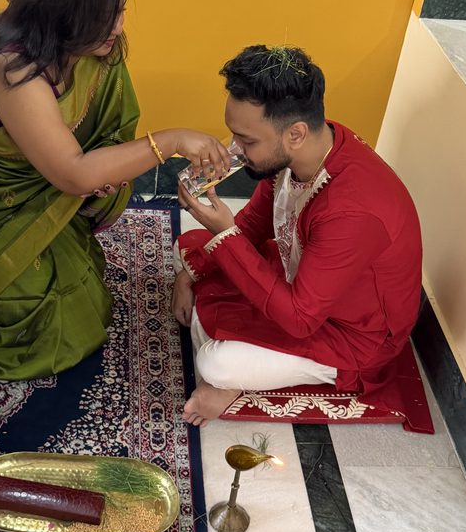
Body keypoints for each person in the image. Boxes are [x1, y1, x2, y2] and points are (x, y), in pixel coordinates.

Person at [0, 0, 231, 379]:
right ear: (63, 14)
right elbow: (73, 174)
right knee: (36, 326)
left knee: (83, 301)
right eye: (104, 17)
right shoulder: (11, 66)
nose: (118, 27)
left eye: (120, 10)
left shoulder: (84, 50)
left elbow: (100, 134)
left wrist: (107, 169)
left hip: (40, 188)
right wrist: (174, 140)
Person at [174, 44, 422, 426]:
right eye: (234, 136)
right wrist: (190, 272)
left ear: (295, 134)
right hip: (303, 282)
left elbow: (300, 320)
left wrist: (223, 234)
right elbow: (255, 225)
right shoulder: (302, 153)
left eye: (247, 141)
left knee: (216, 362)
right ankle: (242, 367)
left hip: (352, 335)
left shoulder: (353, 210)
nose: (234, 151)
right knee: (190, 247)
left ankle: (235, 380)